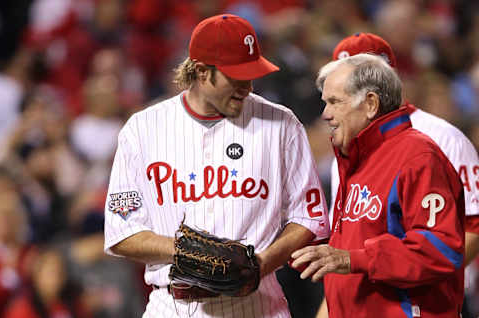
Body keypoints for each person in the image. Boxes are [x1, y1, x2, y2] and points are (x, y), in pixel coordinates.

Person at [103, 14, 330, 318]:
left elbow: (309, 217)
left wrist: (260, 264)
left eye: (252, 74)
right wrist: (191, 253)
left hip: (257, 305)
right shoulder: (143, 129)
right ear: (201, 71)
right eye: (236, 76)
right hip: (173, 306)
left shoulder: (281, 124)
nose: (247, 86)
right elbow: (122, 230)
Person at [291, 53, 465, 318]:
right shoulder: (356, 158)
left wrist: (353, 259)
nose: (325, 114)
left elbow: (441, 249)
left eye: (335, 102)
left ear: (371, 103)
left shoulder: (417, 157)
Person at [326, 33, 479, 317]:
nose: (328, 111)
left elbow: (467, 231)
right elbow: (345, 248)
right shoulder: (347, 151)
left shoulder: (441, 140)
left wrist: (433, 292)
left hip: (418, 303)